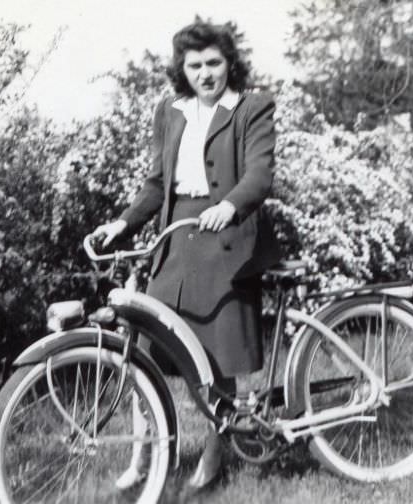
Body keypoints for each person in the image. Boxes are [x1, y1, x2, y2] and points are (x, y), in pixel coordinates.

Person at [93, 20, 281, 490]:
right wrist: (123, 222)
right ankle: (144, 456)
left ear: (228, 63)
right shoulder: (170, 111)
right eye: (195, 65)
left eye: (214, 63)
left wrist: (229, 206)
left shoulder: (250, 108)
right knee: (145, 356)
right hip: (177, 244)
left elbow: (259, 175)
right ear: (183, 69)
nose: (205, 73)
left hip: (228, 242)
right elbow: (158, 184)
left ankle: (215, 456)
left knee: (217, 363)